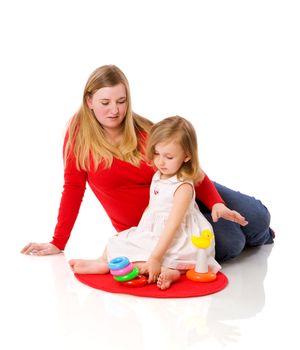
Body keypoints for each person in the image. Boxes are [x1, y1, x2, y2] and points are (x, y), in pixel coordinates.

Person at [21, 64, 274, 261]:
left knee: (258, 217)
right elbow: (73, 190)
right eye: (105, 102)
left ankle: (259, 235)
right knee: (232, 242)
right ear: (89, 101)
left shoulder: (144, 129)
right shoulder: (77, 136)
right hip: (152, 225)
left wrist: (216, 203)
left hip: (186, 190)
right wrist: (58, 242)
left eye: (121, 101)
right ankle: (254, 239)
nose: (114, 111)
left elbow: (189, 169)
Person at [69, 116, 222, 290]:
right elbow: (153, 206)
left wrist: (155, 258)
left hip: (179, 237)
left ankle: (171, 271)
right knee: (119, 240)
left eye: (169, 157)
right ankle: (103, 261)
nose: (161, 161)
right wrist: (140, 231)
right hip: (156, 230)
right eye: (157, 153)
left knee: (166, 255)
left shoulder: (183, 186)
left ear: (187, 156)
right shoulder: (158, 175)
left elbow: (173, 226)